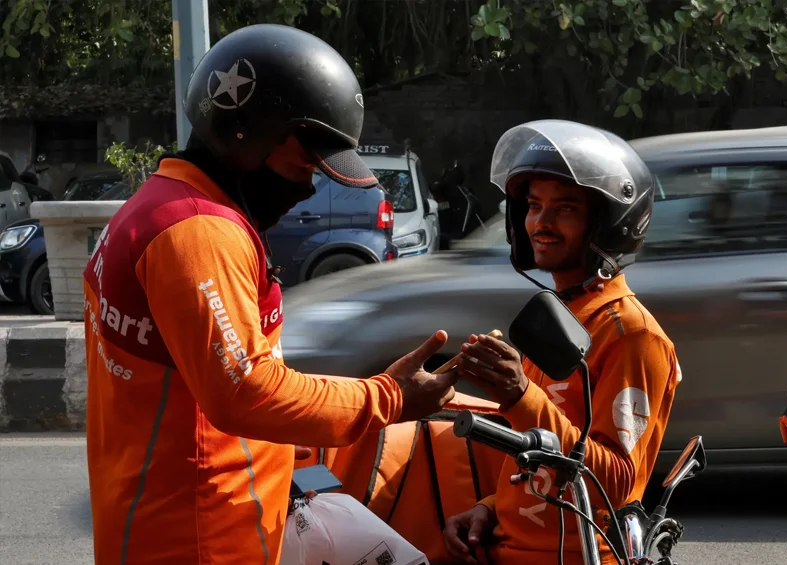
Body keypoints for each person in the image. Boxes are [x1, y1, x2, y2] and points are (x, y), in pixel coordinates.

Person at [81, 24, 458, 565]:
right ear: (248, 136)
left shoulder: (156, 208)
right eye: (302, 166)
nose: (307, 187)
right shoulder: (198, 232)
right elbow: (246, 391)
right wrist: (389, 397)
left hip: (175, 517)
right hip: (201, 537)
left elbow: (199, 383)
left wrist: (284, 444)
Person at [442, 120, 682, 565]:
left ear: (607, 226)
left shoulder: (632, 336)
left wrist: (521, 395)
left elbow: (615, 483)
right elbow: (534, 457)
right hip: (504, 548)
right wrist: (489, 509)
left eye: (565, 209)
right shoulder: (562, 317)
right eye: (534, 206)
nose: (541, 223)